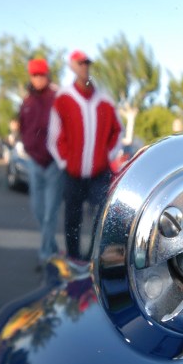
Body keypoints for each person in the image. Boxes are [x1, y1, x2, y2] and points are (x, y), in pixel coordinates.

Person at [48, 50, 123, 262]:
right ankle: (73, 259)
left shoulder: (104, 101)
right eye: (80, 64)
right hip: (73, 173)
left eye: (86, 64)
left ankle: (92, 258)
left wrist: (107, 154)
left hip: (99, 172)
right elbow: (54, 136)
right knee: (73, 218)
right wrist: (64, 160)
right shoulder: (64, 98)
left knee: (100, 217)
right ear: (72, 66)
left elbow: (118, 130)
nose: (84, 67)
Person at [18, 57, 62, 267]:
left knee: (50, 213)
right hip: (34, 163)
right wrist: (27, 147)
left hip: (54, 163)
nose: (38, 78)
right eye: (34, 75)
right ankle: (51, 246)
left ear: (47, 75)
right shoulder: (26, 101)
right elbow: (22, 127)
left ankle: (45, 255)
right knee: (38, 210)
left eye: (41, 74)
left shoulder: (57, 97)